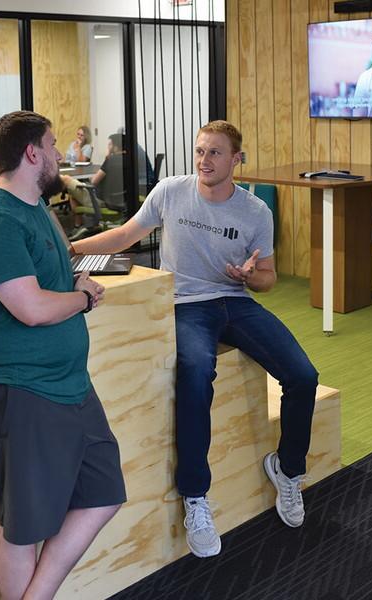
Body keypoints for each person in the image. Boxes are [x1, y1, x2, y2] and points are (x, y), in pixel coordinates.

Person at [72, 120, 318, 559]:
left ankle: (288, 469)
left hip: (235, 302)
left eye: (215, 153)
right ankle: (195, 496)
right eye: (200, 151)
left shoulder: (256, 212)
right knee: (197, 370)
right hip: (186, 305)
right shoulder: (170, 190)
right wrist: (71, 249)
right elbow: (128, 234)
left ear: (237, 160)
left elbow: (269, 279)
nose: (204, 161)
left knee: (303, 375)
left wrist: (250, 276)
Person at [0, 110, 125, 598]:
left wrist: (74, 282)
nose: (58, 154)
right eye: (52, 145)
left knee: (103, 493)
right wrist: (84, 299)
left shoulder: (36, 209)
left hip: (67, 383)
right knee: (24, 526)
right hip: (18, 388)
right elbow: (29, 307)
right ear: (33, 153)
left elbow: (49, 276)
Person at [62, 132, 125, 236]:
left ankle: (79, 226)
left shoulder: (110, 161)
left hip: (102, 201)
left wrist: (108, 156)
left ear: (115, 146)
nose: (108, 147)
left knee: (67, 181)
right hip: (122, 201)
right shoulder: (130, 160)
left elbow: (93, 181)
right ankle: (86, 225)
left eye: (109, 145)